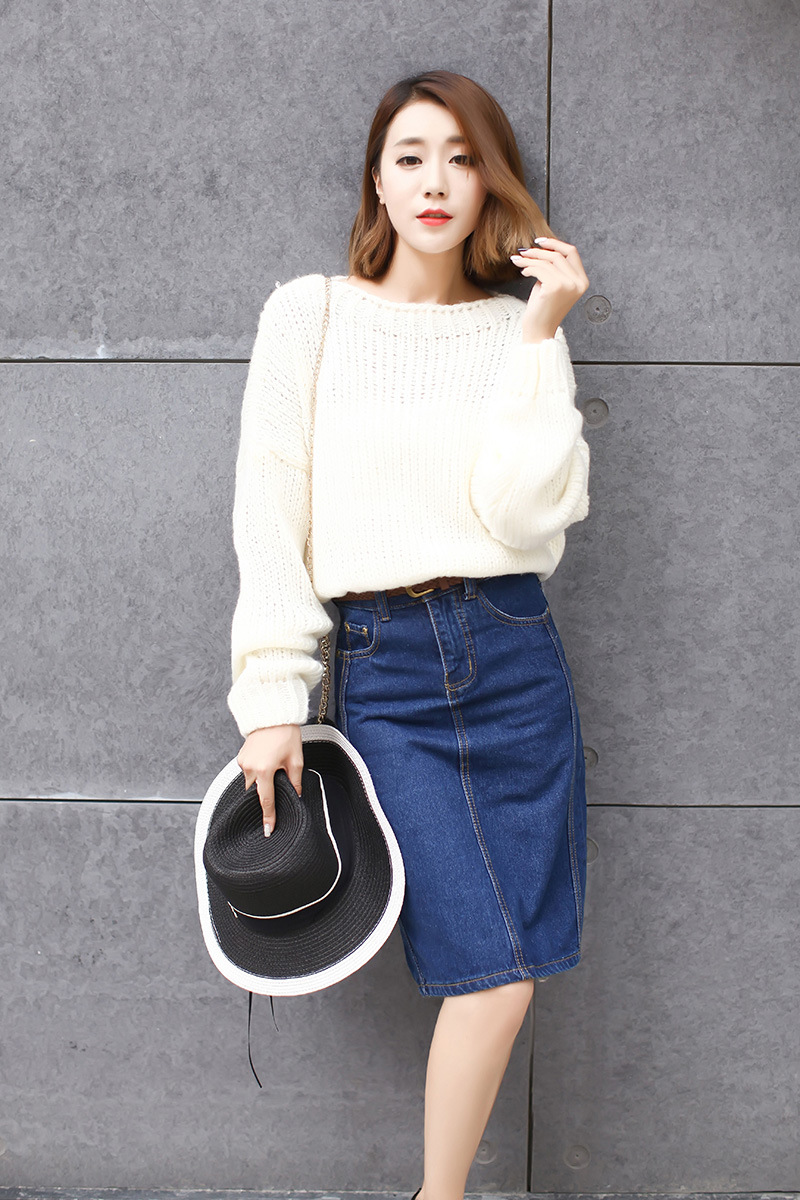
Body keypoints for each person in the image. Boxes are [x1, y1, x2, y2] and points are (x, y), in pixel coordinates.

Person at [228, 69, 591, 1200]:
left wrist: (538, 333)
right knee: (491, 968)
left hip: (513, 652)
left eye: (462, 158)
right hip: (384, 668)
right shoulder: (309, 315)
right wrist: (273, 700)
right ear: (377, 183)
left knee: (508, 967)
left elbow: (529, 518)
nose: (436, 181)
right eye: (411, 157)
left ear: (490, 184)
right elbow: (268, 512)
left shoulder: (517, 329)